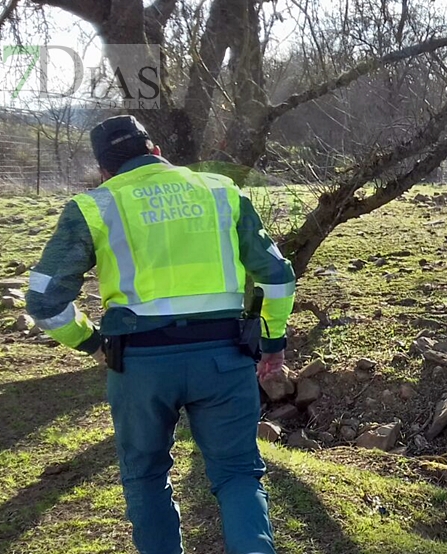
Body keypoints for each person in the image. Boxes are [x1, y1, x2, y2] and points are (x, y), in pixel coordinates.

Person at [26, 115, 294, 554]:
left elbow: (42, 302)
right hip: (225, 358)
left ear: (105, 170)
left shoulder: (96, 205)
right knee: (238, 474)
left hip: (140, 365)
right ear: (155, 151)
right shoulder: (221, 191)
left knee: (146, 476)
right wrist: (272, 344)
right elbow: (279, 278)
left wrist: (92, 343)